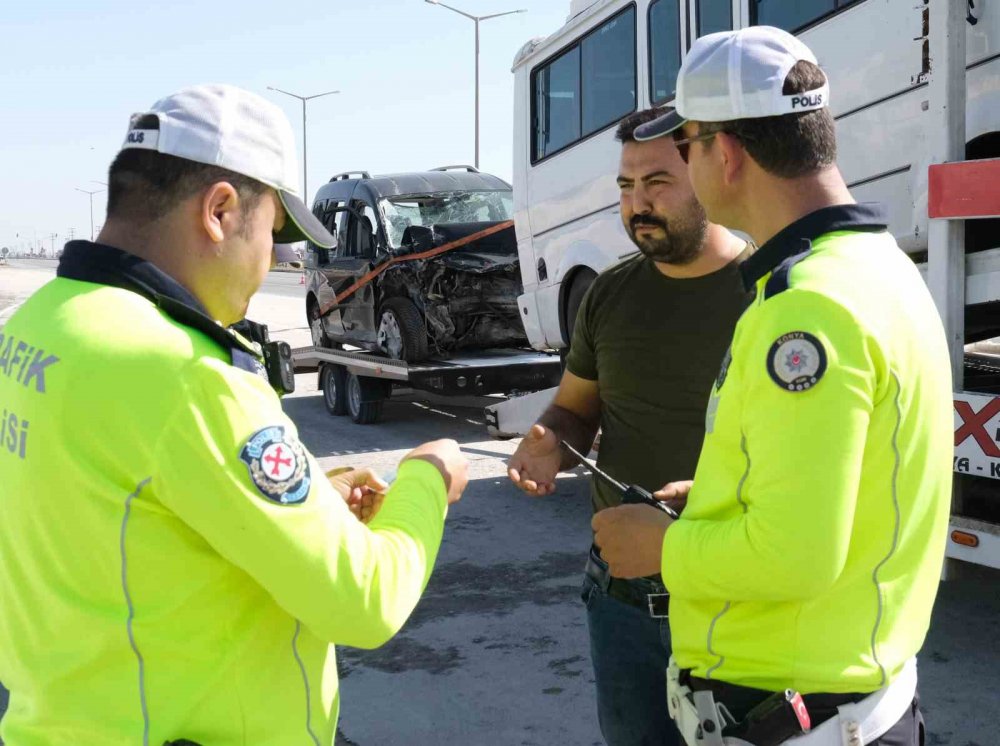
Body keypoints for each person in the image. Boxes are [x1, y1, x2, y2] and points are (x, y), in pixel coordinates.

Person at [0, 84, 469, 745]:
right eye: (274, 234)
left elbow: (108, 507)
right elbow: (364, 601)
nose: (272, 265)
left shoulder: (38, 328)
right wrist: (426, 476)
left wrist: (300, 506)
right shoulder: (186, 373)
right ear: (219, 211)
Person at [592, 27, 952, 746]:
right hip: (848, 693)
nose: (687, 166)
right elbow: (855, 483)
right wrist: (715, 502)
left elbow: (797, 554)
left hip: (798, 715)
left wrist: (663, 547)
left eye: (685, 148)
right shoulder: (876, 268)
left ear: (724, 153)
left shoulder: (807, 308)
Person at [507, 109, 753, 746]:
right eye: (625, 186)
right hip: (622, 606)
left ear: (708, 170)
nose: (637, 204)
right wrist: (548, 442)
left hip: (742, 602)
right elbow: (575, 408)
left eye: (657, 183)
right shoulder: (609, 293)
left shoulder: (771, 294)